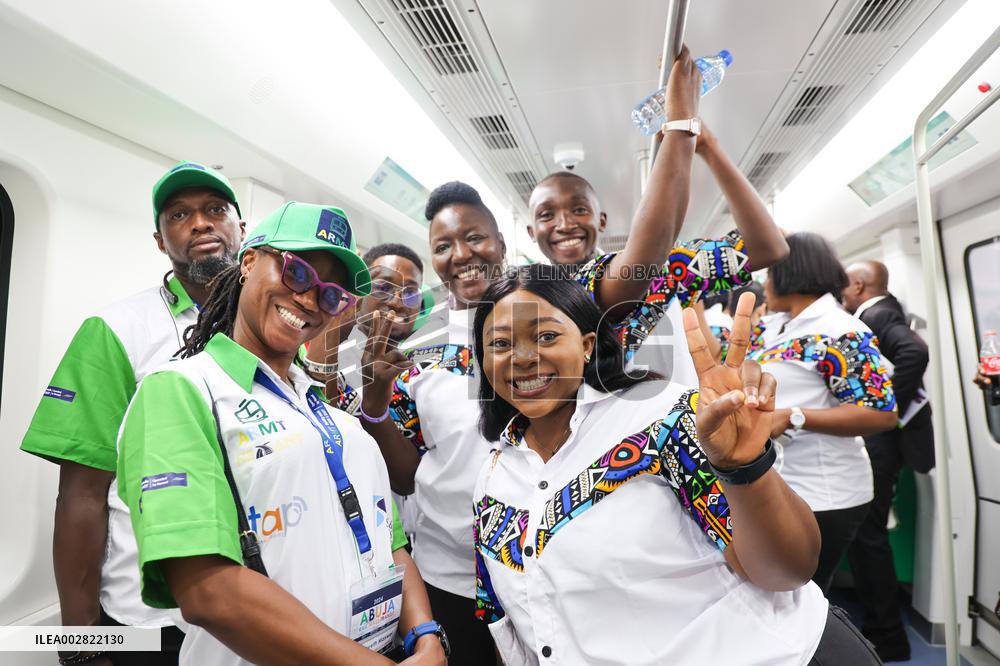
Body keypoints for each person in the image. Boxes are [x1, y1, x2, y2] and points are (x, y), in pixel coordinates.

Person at [358, 47, 711, 665]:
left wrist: (677, 129)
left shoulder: (551, 309)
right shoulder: (420, 349)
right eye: (443, 245)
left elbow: (648, 256)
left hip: (553, 553)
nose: (461, 253)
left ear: (503, 240)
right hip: (450, 571)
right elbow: (409, 474)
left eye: (474, 237)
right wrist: (377, 400)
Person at [471, 263, 882, 665]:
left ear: (587, 345)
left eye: (545, 335)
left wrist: (746, 468)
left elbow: (788, 571)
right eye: (501, 344)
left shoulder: (664, 419)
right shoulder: (492, 482)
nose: (522, 357)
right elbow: (513, 626)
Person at [115, 202, 447, 666]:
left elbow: (388, 539)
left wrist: (428, 638)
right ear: (249, 261)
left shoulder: (334, 414)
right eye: (296, 272)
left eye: (331, 295)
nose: (310, 301)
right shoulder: (182, 391)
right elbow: (208, 590)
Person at [20, 161, 245, 666]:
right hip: (152, 621)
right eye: (179, 215)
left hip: (256, 610)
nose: (200, 223)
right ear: (160, 240)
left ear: (241, 229)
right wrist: (80, 646)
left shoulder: (274, 328)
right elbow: (81, 494)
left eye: (215, 210)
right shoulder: (116, 329)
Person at [525, 121, 789, 384]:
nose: (565, 224)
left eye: (579, 210)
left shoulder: (665, 271)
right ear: (531, 231)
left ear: (602, 221)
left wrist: (710, 150)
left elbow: (768, 247)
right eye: (547, 215)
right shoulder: (522, 303)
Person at [749, 233, 898, 595]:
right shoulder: (777, 327)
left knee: (798, 597)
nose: (765, 283)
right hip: (786, 482)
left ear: (791, 273)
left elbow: (880, 413)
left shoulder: (840, 331)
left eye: (770, 273)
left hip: (824, 491)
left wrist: (795, 416)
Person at [304, 242, 428, 544]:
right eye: (384, 287)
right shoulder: (318, 348)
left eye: (410, 292)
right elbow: (316, 423)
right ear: (358, 292)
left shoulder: (425, 368)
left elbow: (407, 479)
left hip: (400, 537)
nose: (399, 301)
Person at [842, 260, 934, 661]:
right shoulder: (876, 312)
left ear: (860, 285)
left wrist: (880, 407)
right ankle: (881, 626)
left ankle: (888, 634)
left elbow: (914, 351)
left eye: (845, 283)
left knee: (870, 535)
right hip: (883, 443)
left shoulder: (878, 315)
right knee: (866, 534)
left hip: (882, 444)